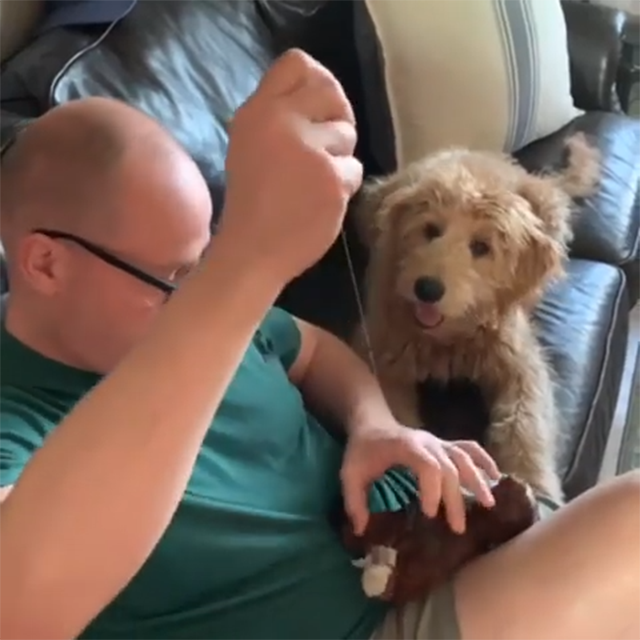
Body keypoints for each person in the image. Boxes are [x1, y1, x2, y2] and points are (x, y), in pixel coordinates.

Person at [0, 49, 638, 640]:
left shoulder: (181, 309)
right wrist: (244, 264)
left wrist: (375, 425)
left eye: (205, 260)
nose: (197, 291)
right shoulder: (19, 415)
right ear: (46, 264)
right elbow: (19, 604)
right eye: (173, 276)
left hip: (424, 546)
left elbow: (307, 350)